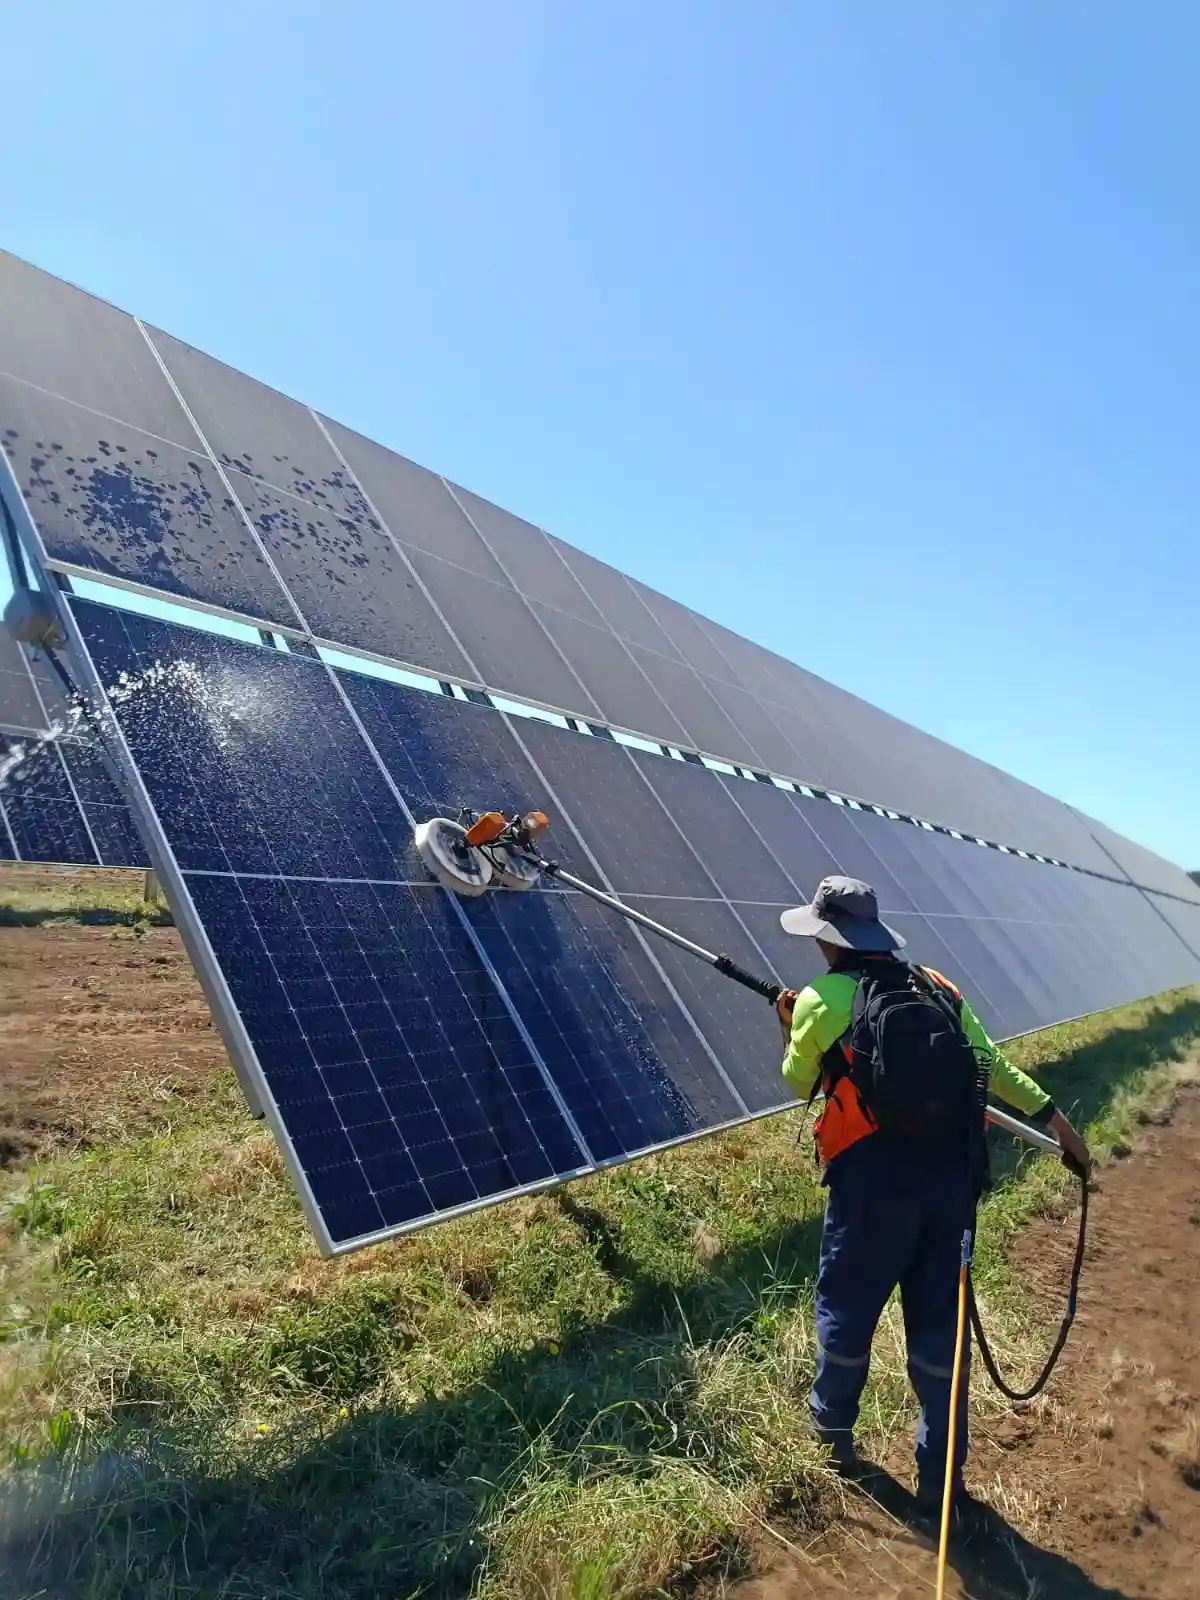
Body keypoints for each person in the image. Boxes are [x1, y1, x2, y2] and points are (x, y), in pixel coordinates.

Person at [776, 874, 1091, 1517]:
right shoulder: (936, 985)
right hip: (949, 1188)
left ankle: (833, 1437)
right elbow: (990, 1066)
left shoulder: (819, 998)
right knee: (942, 1329)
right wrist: (1057, 1122)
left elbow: (796, 1081)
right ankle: (941, 1474)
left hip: (869, 1191)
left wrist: (792, 1026)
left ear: (828, 939)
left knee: (846, 1311)